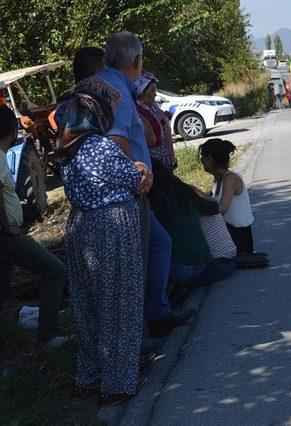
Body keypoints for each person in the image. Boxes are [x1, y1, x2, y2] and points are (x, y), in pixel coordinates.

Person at [95, 31, 194, 337]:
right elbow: (117, 140)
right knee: (145, 254)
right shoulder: (119, 92)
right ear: (138, 61)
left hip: (109, 192)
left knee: (155, 246)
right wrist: (134, 177)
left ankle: (154, 314)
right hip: (127, 192)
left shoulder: (101, 82)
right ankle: (148, 323)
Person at [56, 78, 145, 405]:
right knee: (120, 303)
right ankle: (119, 383)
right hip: (111, 227)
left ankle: (89, 377)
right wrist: (139, 171)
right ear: (97, 116)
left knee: (87, 305)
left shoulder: (65, 151)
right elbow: (133, 179)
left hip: (79, 228)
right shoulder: (103, 147)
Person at [0, 105, 66, 348]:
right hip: (7, 234)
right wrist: (7, 226)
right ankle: (47, 337)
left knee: (3, 290)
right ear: (12, 130)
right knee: (55, 270)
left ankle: (10, 337)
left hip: (7, 232)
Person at [148, 159, 235, 289]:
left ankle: (160, 305)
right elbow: (214, 208)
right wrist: (196, 192)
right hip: (205, 263)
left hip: (186, 267)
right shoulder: (183, 191)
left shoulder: (151, 199)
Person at [199, 139, 256, 255]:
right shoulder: (217, 180)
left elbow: (222, 209)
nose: (201, 161)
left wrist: (196, 192)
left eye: (202, 157)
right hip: (227, 233)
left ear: (209, 160)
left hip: (238, 236)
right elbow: (212, 201)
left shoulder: (230, 178)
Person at [134, 69, 177, 170]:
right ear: (141, 91)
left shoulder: (152, 107)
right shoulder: (137, 110)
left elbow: (164, 132)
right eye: (152, 90)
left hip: (164, 159)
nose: (155, 94)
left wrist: (171, 156)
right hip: (153, 163)